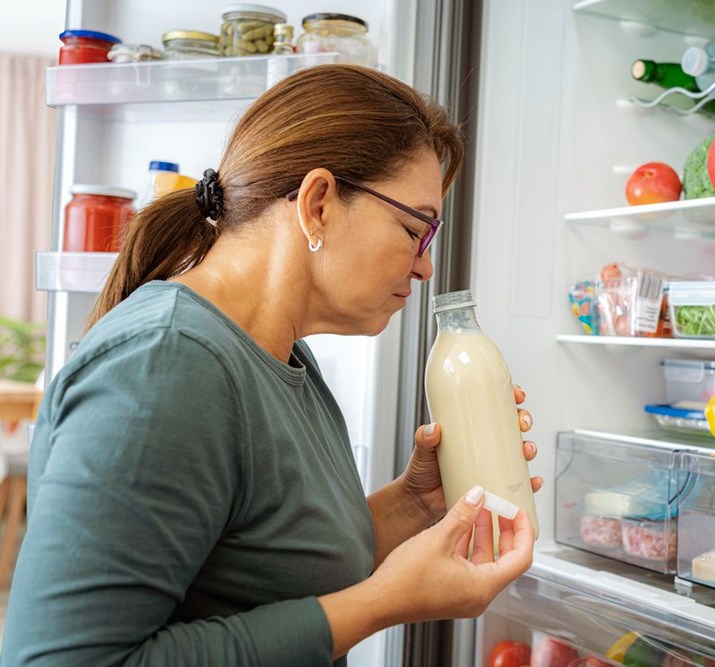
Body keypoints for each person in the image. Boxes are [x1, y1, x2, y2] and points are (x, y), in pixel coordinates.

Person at [2, 64, 540, 666]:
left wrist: (419, 502)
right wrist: (380, 604)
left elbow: (267, 569)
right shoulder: (164, 366)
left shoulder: (283, 357)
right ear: (317, 204)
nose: (425, 267)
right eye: (416, 229)